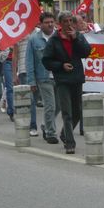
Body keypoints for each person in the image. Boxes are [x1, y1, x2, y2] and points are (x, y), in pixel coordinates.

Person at [42, 12, 90, 154]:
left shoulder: (77, 36)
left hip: (76, 78)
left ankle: (64, 133)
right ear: (60, 24)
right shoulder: (54, 40)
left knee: (77, 111)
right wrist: (61, 65)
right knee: (67, 112)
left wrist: (76, 39)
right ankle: (70, 142)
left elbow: (87, 52)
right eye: (66, 21)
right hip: (62, 80)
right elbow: (46, 60)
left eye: (71, 21)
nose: (69, 24)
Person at [26, 12, 58, 142]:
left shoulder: (59, 36)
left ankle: (46, 125)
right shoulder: (34, 39)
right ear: (40, 24)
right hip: (44, 77)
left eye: (52, 22)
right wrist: (31, 81)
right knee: (50, 105)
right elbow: (29, 61)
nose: (50, 24)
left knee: (59, 106)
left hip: (60, 76)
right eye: (47, 22)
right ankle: (51, 133)